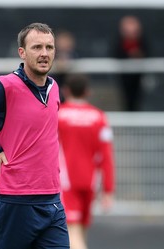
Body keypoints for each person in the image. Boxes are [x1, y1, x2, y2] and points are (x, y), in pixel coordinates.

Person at [0, 22, 69, 249]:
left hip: (52, 201)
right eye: (37, 47)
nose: (44, 53)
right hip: (14, 201)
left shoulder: (55, 87)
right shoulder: (5, 86)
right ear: (22, 52)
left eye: (49, 47)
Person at [58, 74, 115, 249]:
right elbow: (107, 156)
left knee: (73, 232)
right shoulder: (99, 118)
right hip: (91, 182)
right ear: (88, 92)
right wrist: (108, 190)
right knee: (80, 231)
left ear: (65, 91)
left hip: (66, 182)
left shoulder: (58, 115)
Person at [112, 15, 149, 111]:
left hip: (138, 76)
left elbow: (148, 53)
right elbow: (115, 54)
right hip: (124, 77)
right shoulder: (118, 41)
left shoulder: (143, 41)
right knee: (125, 100)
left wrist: (138, 55)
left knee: (137, 100)